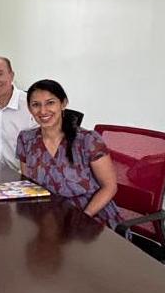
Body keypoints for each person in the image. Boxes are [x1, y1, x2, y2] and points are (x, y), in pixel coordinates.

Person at [16, 79, 123, 228]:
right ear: (29, 108)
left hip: (91, 218)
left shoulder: (88, 140)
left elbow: (110, 187)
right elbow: (29, 185)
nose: (43, 111)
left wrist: (84, 217)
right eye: (36, 105)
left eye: (50, 103)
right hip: (49, 219)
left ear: (63, 103)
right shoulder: (26, 139)